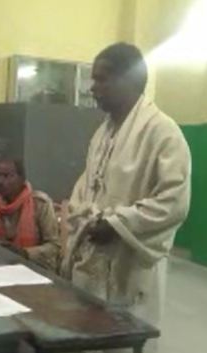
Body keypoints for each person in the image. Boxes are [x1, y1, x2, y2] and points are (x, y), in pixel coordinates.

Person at [59, 43, 191, 352]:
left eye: (101, 79)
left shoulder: (163, 133)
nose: (93, 88)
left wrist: (116, 224)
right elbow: (86, 186)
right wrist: (83, 217)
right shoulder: (102, 133)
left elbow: (174, 201)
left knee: (123, 340)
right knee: (88, 338)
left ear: (129, 81)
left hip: (129, 267)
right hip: (92, 262)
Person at [0, 159, 60, 269]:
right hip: (0, 268)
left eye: (7, 176)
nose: (0, 181)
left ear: (21, 179)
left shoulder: (40, 203)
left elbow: (54, 247)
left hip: (36, 269)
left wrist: (24, 253)